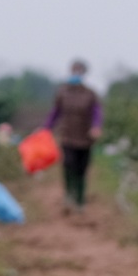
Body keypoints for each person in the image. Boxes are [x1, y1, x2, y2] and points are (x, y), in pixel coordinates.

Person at [44, 60, 102, 211]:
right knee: (69, 164)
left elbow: (96, 112)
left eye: (79, 71)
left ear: (84, 73)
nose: (76, 73)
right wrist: (46, 128)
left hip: (85, 137)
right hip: (68, 135)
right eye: (74, 70)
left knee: (81, 169)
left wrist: (96, 127)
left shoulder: (90, 94)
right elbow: (55, 112)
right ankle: (69, 195)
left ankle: (80, 200)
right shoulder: (63, 93)